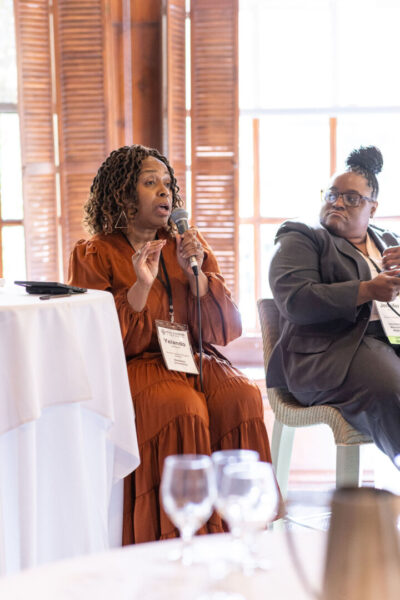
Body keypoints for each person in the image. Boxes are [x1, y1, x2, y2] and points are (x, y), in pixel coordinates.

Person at [68, 144, 273, 544]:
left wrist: (194, 273)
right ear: (123, 196)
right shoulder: (94, 253)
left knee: (241, 396)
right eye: (150, 183)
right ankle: (174, 539)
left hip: (194, 356)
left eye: (167, 184)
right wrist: (141, 284)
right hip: (137, 363)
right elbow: (98, 339)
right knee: (180, 407)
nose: (164, 192)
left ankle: (240, 535)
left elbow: (226, 326)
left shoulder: (188, 244)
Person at [268, 145, 400, 466]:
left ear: (373, 207)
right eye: (332, 194)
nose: (338, 202)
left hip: (390, 343)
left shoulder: (390, 241)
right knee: (391, 389)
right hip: (329, 353)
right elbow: (295, 299)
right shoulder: (302, 236)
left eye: (352, 198)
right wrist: (367, 289)